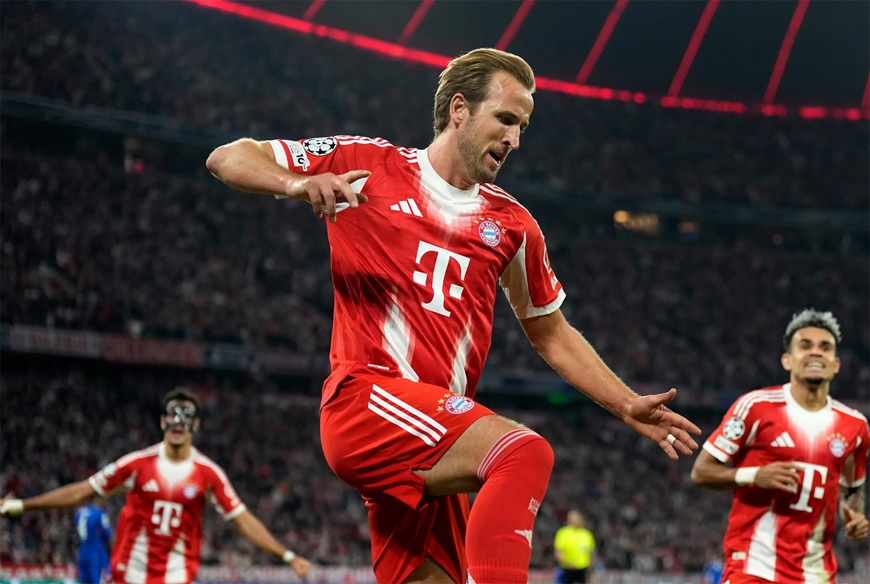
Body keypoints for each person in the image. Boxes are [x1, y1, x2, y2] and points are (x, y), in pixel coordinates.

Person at [205, 47, 701, 584]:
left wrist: (625, 402)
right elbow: (228, 157)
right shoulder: (368, 164)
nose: (514, 139)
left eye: (523, 127)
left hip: (436, 435)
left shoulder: (514, 226)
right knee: (521, 452)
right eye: (505, 119)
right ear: (459, 109)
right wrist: (295, 183)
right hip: (367, 401)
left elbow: (551, 332)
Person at [0, 388, 312, 583]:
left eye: (186, 416)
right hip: (128, 576)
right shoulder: (136, 465)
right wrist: (24, 505)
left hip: (176, 577)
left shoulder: (209, 475)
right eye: (172, 415)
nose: (178, 422)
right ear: (163, 421)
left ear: (196, 425)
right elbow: (84, 490)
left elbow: (242, 520)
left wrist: (287, 556)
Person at [691, 309, 869, 583]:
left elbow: (853, 488)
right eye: (805, 345)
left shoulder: (855, 426)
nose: (815, 353)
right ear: (787, 360)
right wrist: (755, 475)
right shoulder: (755, 407)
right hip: (753, 567)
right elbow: (701, 472)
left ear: (835, 364)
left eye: (825, 347)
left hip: (816, 573)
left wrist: (855, 516)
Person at [73, 498, 112, 584]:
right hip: (96, 552)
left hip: (82, 552)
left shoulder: (79, 513)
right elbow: (107, 534)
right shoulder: (99, 514)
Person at [553, 509, 595, 583]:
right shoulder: (563, 533)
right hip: (567, 569)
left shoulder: (587, 534)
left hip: (583, 569)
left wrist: (590, 567)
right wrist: (568, 563)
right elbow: (558, 552)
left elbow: (590, 553)